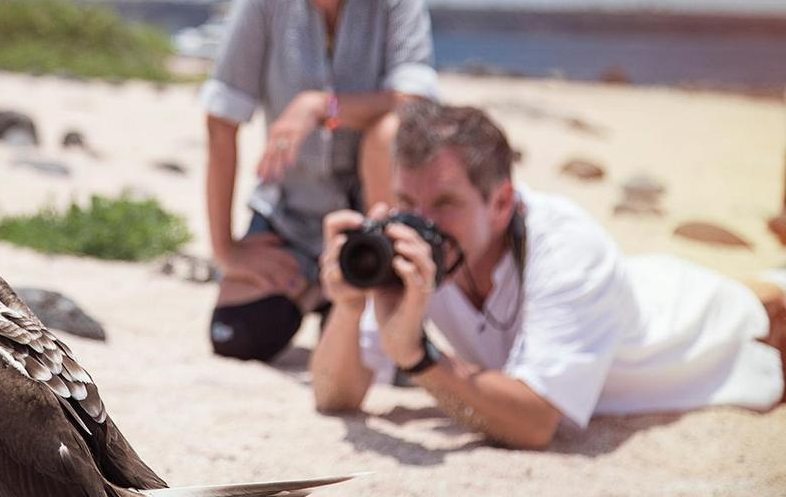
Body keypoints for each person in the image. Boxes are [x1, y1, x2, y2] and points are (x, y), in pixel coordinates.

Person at [311, 101, 786, 449]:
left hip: (698, 325)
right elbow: (336, 395)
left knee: (768, 303)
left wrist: (419, 361)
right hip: (625, 300)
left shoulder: (565, 246)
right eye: (408, 203)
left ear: (502, 203)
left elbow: (535, 422)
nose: (420, 223)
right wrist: (350, 308)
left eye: (445, 204)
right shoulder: (414, 250)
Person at [201, 0, 438, 363]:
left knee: (389, 129)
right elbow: (221, 122)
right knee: (236, 337)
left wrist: (318, 105)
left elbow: (415, 104)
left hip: (366, 219)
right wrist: (227, 250)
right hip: (287, 217)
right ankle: (312, 290)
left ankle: (377, 279)